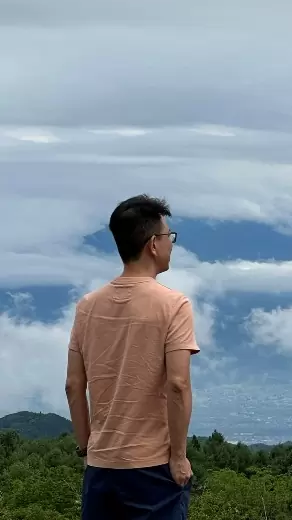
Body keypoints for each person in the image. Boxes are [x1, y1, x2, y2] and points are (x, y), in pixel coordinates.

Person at [65, 194, 200, 520]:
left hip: (101, 469)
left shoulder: (88, 306)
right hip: (152, 469)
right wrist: (178, 457)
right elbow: (178, 384)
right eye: (169, 237)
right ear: (153, 244)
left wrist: (87, 450)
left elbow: (73, 386)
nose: (171, 243)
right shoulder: (173, 305)